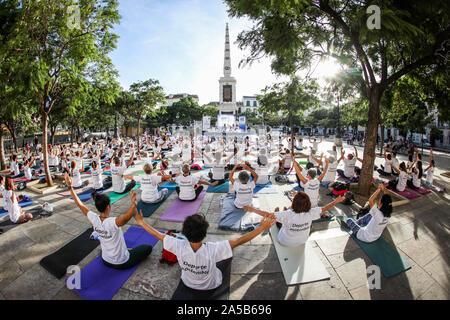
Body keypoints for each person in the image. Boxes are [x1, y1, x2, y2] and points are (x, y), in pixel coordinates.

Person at [133, 211, 276, 299]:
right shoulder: (214, 249)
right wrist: (262, 228)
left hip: (188, 283)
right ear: (205, 233)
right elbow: (239, 241)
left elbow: (157, 234)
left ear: (184, 233)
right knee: (228, 255)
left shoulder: (177, 244)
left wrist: (141, 222)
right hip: (211, 286)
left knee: (225, 253)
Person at [65, 174, 152, 269]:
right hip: (121, 263)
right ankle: (126, 253)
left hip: (105, 260)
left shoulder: (94, 218)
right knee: (147, 247)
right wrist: (133, 203)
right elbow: (126, 217)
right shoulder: (112, 222)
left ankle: (125, 251)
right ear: (108, 207)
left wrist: (70, 187)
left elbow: (80, 204)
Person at [244, 191, 346, 247]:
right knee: (282, 217)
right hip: (302, 240)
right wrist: (336, 201)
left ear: (294, 203)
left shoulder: (288, 214)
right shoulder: (311, 212)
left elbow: (267, 215)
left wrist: (252, 209)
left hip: (284, 241)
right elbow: (325, 208)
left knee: (278, 219)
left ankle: (278, 215)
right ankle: (279, 214)